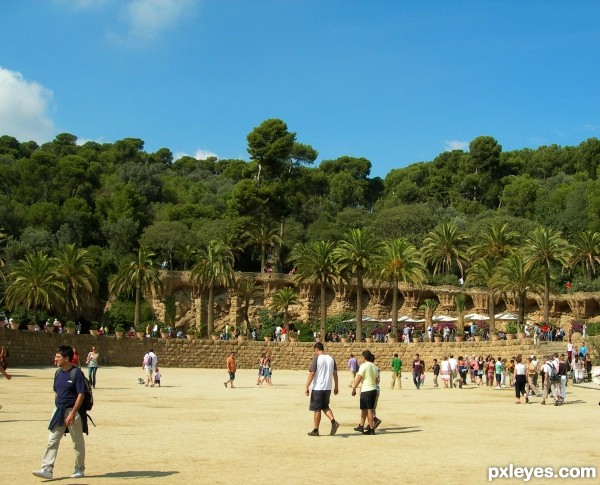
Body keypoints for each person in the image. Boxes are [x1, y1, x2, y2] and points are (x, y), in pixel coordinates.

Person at [32, 345, 87, 480]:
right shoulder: (57, 373)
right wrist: (57, 409)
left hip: (73, 411)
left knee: (77, 442)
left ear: (67, 358)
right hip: (59, 411)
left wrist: (72, 413)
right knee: (52, 440)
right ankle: (47, 468)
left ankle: (79, 469)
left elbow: (81, 394)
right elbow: (56, 392)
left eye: (58, 357)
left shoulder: (77, 373)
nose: (55, 359)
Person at [305, 342, 339, 437]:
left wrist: (307, 386)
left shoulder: (317, 358)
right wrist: (336, 386)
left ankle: (316, 430)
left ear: (316, 349)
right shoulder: (331, 359)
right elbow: (335, 374)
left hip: (318, 388)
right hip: (327, 388)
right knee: (325, 406)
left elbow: (312, 373)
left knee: (317, 409)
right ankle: (333, 422)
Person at [352, 350, 380, 435]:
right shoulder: (375, 367)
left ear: (364, 357)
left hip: (366, 390)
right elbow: (377, 380)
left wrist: (354, 388)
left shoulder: (364, 366)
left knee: (368, 410)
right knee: (364, 409)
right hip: (373, 389)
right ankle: (361, 426)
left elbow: (359, 378)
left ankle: (371, 429)